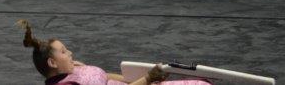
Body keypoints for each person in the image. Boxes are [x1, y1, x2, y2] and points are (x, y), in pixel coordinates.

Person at [18, 20, 211, 85]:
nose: (70, 53)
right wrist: (147, 79)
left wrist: (145, 78)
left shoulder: (73, 69)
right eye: (63, 51)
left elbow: (106, 76)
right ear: (52, 63)